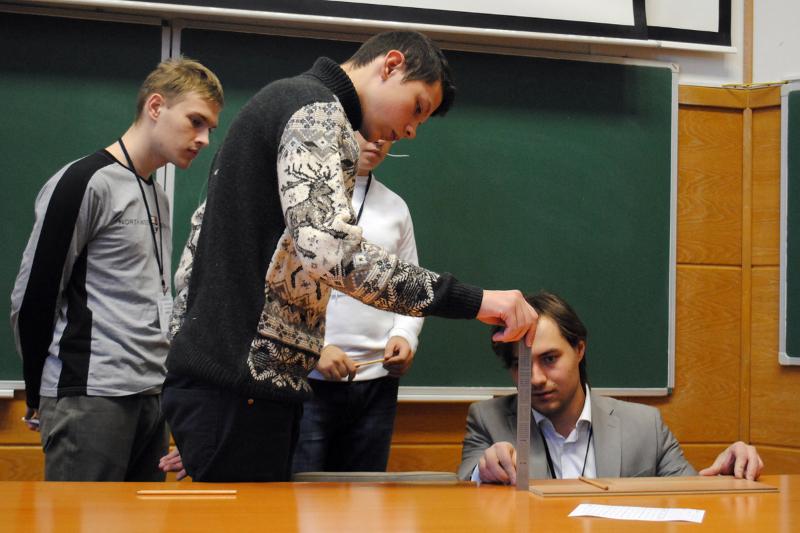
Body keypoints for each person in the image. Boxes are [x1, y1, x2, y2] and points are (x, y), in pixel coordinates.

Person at [162, 30, 537, 483]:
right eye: (417, 107)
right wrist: (474, 301)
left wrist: (192, 365)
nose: (411, 130)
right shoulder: (316, 111)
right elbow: (333, 255)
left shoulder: (284, 102)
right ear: (391, 65)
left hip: (230, 385)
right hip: (239, 390)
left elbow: (196, 246)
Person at [10, 58, 223, 481]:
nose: (203, 139)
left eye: (210, 129)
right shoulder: (85, 181)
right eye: (196, 121)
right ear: (156, 106)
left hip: (151, 394)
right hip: (91, 396)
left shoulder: (158, 195)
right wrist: (36, 387)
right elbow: (34, 295)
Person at [458, 291, 764, 484]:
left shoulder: (644, 426)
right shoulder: (488, 420)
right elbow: (463, 489)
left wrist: (728, 476)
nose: (535, 378)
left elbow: (690, 496)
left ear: (579, 350)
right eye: (520, 364)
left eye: (549, 359)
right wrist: (483, 472)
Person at [292, 132, 422, 473]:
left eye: (388, 136)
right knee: (302, 497)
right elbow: (272, 287)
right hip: (309, 381)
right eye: (369, 132)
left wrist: (405, 335)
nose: (378, 142)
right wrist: (312, 348)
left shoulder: (395, 208)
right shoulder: (301, 198)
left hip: (378, 383)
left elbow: (410, 289)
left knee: (366, 497)